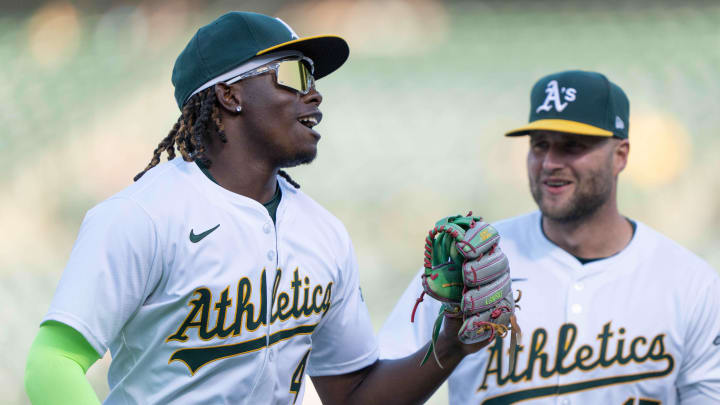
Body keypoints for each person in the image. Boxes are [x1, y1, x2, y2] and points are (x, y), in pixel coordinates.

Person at [24, 11, 492, 405]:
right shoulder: (142, 216)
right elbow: (53, 364)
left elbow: (351, 394)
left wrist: (449, 346)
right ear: (230, 95)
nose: (315, 93)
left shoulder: (323, 232)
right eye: (294, 74)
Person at [379, 70, 720, 404]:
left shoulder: (690, 284)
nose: (549, 163)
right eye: (540, 145)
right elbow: (374, 389)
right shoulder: (473, 261)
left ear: (621, 155)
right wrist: (448, 346)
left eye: (572, 146)